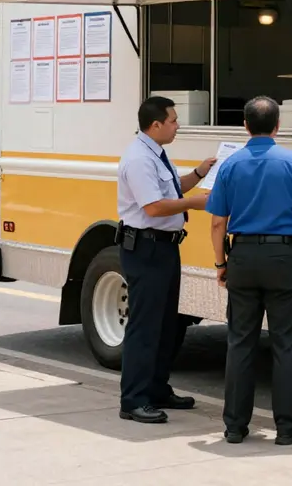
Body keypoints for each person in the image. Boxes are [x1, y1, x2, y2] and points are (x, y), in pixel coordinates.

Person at [206, 95, 292, 445]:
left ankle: (234, 427)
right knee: (285, 345)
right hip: (282, 260)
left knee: (240, 343)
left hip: (242, 257)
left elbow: (217, 223)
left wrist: (221, 263)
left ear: (245, 126)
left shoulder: (230, 165)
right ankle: (289, 427)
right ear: (277, 126)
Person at [117, 95, 216, 424]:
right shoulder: (138, 159)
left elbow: (172, 189)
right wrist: (195, 204)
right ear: (155, 124)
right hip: (146, 249)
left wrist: (200, 172)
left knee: (167, 324)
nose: (177, 126)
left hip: (164, 247)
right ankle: (133, 399)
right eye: (173, 120)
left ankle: (157, 388)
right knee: (145, 326)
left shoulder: (156, 153)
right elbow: (155, 207)